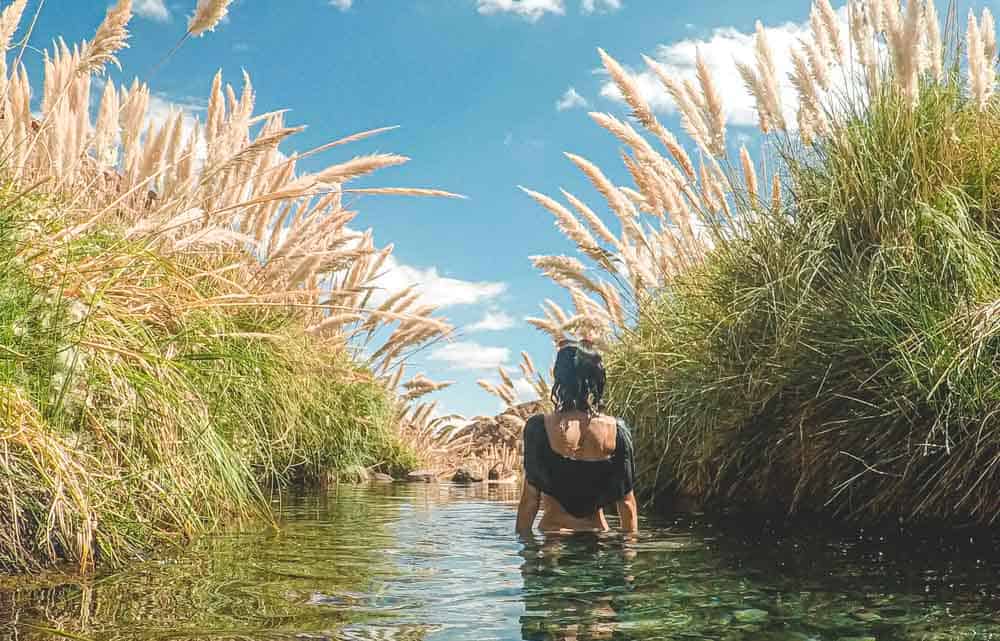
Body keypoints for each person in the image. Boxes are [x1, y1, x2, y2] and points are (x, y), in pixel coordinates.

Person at [515, 338, 638, 537]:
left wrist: (524, 552)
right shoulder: (617, 430)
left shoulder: (539, 428)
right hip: (598, 539)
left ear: (559, 377)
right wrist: (628, 557)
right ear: (597, 377)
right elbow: (627, 504)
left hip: (553, 539)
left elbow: (530, 500)